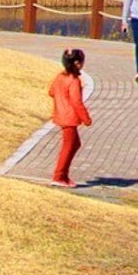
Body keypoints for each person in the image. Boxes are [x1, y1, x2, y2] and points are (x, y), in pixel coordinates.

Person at [46, 46, 94, 186]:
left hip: (60, 114)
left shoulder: (60, 76)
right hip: (69, 117)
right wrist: (86, 118)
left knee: (75, 144)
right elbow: (77, 102)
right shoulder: (74, 80)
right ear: (77, 63)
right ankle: (59, 176)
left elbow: (51, 92)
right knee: (69, 146)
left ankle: (64, 175)